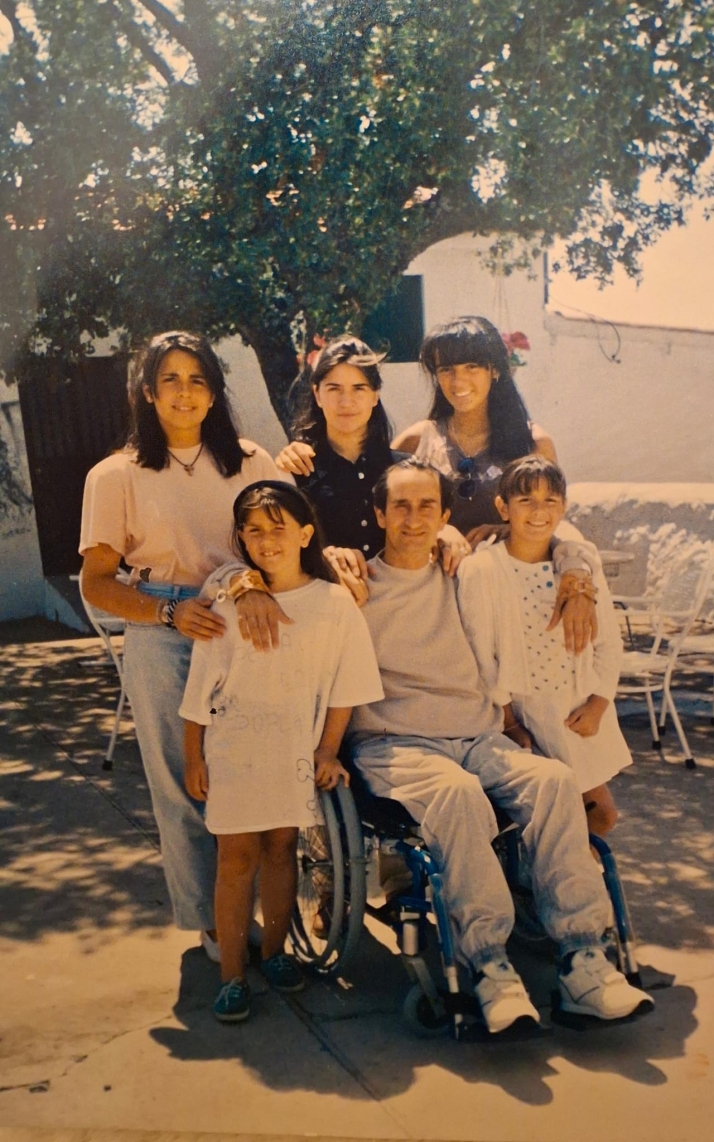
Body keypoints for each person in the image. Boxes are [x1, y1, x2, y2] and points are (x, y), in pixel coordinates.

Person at [347, 457, 653, 1032]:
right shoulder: (354, 586)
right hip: (395, 742)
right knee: (459, 795)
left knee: (554, 781)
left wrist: (578, 576)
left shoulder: (469, 570)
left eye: (427, 507)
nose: (414, 518)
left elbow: (555, 538)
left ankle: (585, 958)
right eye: (401, 506)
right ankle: (488, 963)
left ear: (445, 516)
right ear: (379, 514)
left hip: (477, 732)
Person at [79, 331, 287, 960]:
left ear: (215, 390)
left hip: (247, 624)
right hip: (164, 632)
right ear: (147, 390)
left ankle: (273, 917)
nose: (185, 392)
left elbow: (287, 537)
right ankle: (214, 922)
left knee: (260, 772)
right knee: (183, 780)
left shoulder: (250, 460)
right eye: (170, 378)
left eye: (198, 378)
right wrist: (169, 612)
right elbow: (96, 584)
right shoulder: (115, 474)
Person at [180, 482, 383, 1022]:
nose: (267, 540)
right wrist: (194, 758)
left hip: (292, 750)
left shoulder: (335, 604)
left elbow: (344, 690)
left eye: (279, 528)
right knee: (235, 859)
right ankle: (230, 976)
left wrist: (327, 751)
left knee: (281, 850)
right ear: (242, 539)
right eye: (254, 531)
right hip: (234, 752)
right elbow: (198, 695)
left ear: (305, 534)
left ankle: (273, 954)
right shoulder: (226, 603)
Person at [457, 455, 631, 837]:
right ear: (503, 508)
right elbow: (481, 655)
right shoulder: (482, 570)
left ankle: (570, 888)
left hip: (579, 711)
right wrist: (510, 721)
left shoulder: (579, 566)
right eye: (525, 501)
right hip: (526, 715)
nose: (539, 512)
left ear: (564, 507)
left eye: (550, 501)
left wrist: (599, 702)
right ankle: (559, 890)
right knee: (559, 819)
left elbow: (608, 643)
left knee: (600, 816)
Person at [275, 334, 470, 572]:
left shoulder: (404, 469)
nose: (346, 402)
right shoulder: (297, 471)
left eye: (359, 388)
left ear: (375, 394)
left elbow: (431, 519)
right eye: (334, 389)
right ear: (317, 394)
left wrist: (445, 531)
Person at [393, 315, 556, 545]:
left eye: (471, 367)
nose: (458, 381)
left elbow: (552, 519)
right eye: (447, 369)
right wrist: (439, 531)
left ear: (495, 370)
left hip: (505, 575)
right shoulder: (415, 441)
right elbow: (385, 513)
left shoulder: (534, 443)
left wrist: (508, 530)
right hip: (433, 577)